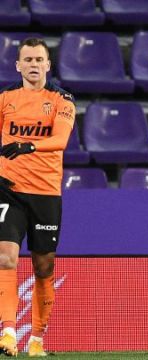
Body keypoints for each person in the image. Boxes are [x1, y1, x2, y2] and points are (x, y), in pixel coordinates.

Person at [0, 38, 75, 357]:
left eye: (38, 59)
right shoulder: (5, 99)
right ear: (18, 65)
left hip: (46, 193)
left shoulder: (62, 100)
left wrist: (28, 145)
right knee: (5, 257)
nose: (33, 64)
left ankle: (37, 340)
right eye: (27, 59)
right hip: (9, 188)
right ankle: (7, 332)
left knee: (44, 267)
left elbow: (60, 139)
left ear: (48, 64)